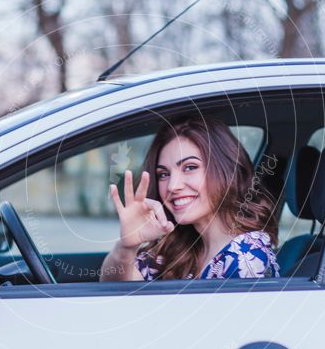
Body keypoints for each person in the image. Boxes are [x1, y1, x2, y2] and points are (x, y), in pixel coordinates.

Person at [100, 116, 279, 281]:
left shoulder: (246, 254)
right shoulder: (179, 248)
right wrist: (126, 247)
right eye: (163, 174)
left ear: (227, 171)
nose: (172, 186)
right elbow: (113, 287)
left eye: (190, 167)